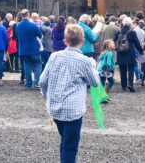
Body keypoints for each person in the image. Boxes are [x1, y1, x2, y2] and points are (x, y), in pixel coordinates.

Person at [40, 24, 100, 163]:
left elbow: (42, 81)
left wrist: (46, 96)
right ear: (83, 42)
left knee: (66, 141)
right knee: (70, 146)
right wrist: (93, 66)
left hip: (54, 108)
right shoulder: (85, 61)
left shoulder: (54, 56)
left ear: (65, 41)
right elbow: (95, 82)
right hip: (73, 111)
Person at [16, 9, 43, 89]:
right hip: (34, 48)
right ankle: (37, 82)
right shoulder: (33, 25)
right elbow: (40, 35)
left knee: (27, 66)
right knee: (38, 64)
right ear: (28, 15)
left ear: (21, 15)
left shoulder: (18, 25)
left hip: (23, 50)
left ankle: (28, 84)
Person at [115, 17, 142, 93]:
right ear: (130, 24)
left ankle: (123, 85)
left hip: (120, 53)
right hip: (130, 53)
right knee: (131, 68)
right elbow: (137, 43)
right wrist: (141, 51)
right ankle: (130, 84)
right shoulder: (132, 32)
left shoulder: (118, 32)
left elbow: (114, 42)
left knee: (122, 69)